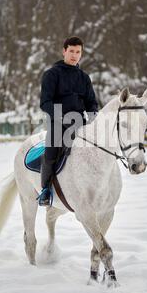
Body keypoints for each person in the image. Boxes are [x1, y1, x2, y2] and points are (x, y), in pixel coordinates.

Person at [37, 36, 99, 206]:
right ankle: (46, 189)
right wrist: (60, 117)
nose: (74, 55)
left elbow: (91, 102)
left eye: (78, 52)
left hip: (80, 123)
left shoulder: (84, 78)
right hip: (57, 122)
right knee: (51, 151)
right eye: (71, 51)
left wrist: (93, 116)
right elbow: (45, 102)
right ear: (64, 51)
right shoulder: (52, 74)